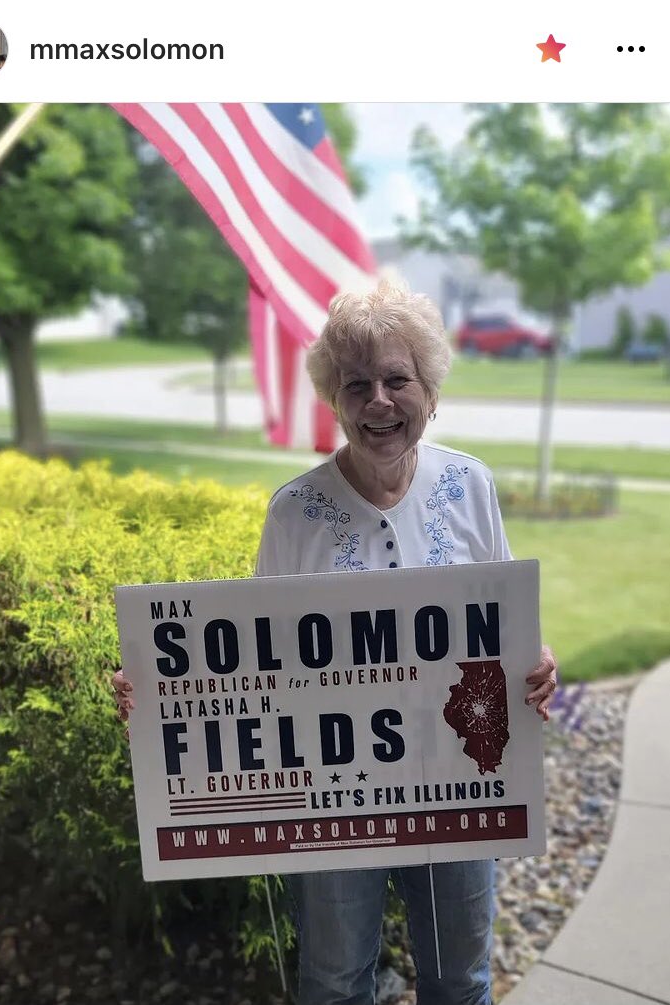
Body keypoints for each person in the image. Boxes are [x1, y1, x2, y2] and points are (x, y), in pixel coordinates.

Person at [113, 280, 557, 1005]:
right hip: (333, 803)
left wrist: (536, 666)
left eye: (397, 379)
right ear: (335, 400)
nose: (378, 400)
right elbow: (254, 667)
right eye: (357, 384)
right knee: (333, 982)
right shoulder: (295, 513)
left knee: (460, 981)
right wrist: (159, 697)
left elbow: (504, 633)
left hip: (460, 785)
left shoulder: (471, 486)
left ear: (431, 391)